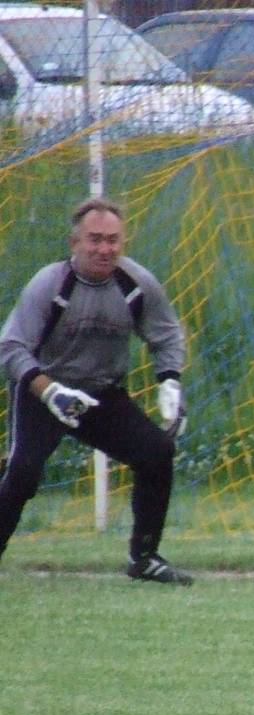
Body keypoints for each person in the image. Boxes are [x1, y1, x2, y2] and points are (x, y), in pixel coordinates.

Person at [0, 197, 191, 584]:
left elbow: (167, 335)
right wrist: (51, 392)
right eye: (95, 239)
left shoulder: (137, 285)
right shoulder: (49, 284)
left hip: (102, 395)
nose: (105, 248)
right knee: (23, 472)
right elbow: (10, 347)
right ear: (75, 243)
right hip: (43, 391)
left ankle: (144, 558)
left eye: (113, 240)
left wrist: (170, 380)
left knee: (157, 452)